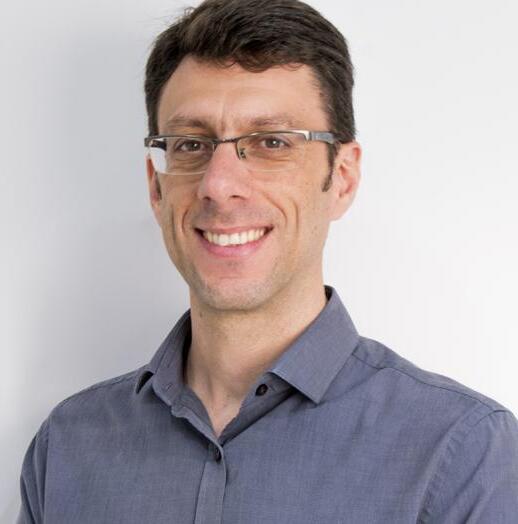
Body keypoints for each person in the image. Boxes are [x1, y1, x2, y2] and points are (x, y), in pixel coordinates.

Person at [17, 0, 518, 522]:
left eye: (272, 142)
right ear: (156, 188)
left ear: (342, 179)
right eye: (190, 144)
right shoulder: (66, 448)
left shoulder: (461, 454)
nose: (219, 185)